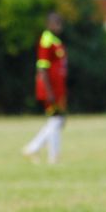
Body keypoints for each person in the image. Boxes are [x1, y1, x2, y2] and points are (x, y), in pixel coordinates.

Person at [22, 12, 68, 164]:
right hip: (50, 88)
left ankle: (34, 149)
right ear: (49, 24)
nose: (59, 26)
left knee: (57, 120)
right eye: (56, 23)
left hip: (58, 88)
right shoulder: (46, 40)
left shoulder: (56, 41)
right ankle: (50, 155)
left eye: (60, 23)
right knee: (55, 120)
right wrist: (48, 91)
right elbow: (42, 68)